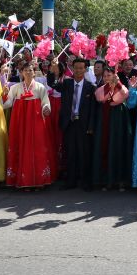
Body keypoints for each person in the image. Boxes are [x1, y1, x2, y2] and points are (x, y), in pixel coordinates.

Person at [4, 61, 54, 189]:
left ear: (34, 72)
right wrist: (1, 98)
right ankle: (23, 180)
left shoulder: (40, 87)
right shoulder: (15, 88)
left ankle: (39, 179)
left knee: (37, 147)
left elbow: (45, 102)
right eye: (25, 70)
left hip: (36, 120)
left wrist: (46, 108)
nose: (28, 72)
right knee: (19, 146)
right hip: (20, 121)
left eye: (30, 70)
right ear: (21, 72)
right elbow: (8, 102)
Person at [51, 57, 96, 190]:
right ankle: (71, 181)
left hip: (83, 125)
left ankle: (85, 181)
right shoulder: (66, 83)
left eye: (81, 68)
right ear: (72, 68)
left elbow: (93, 109)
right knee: (70, 153)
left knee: (84, 153)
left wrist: (91, 126)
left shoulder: (90, 87)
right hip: (69, 123)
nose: (78, 70)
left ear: (85, 69)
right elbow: (53, 84)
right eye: (76, 68)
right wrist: (54, 71)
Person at [92, 65, 133, 191]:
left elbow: (125, 94)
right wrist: (112, 88)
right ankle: (106, 180)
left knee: (119, 146)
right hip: (105, 119)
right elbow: (101, 98)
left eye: (108, 75)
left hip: (118, 120)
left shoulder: (121, 86)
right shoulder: (100, 89)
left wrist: (118, 84)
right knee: (105, 147)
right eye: (104, 76)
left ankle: (121, 180)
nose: (106, 78)